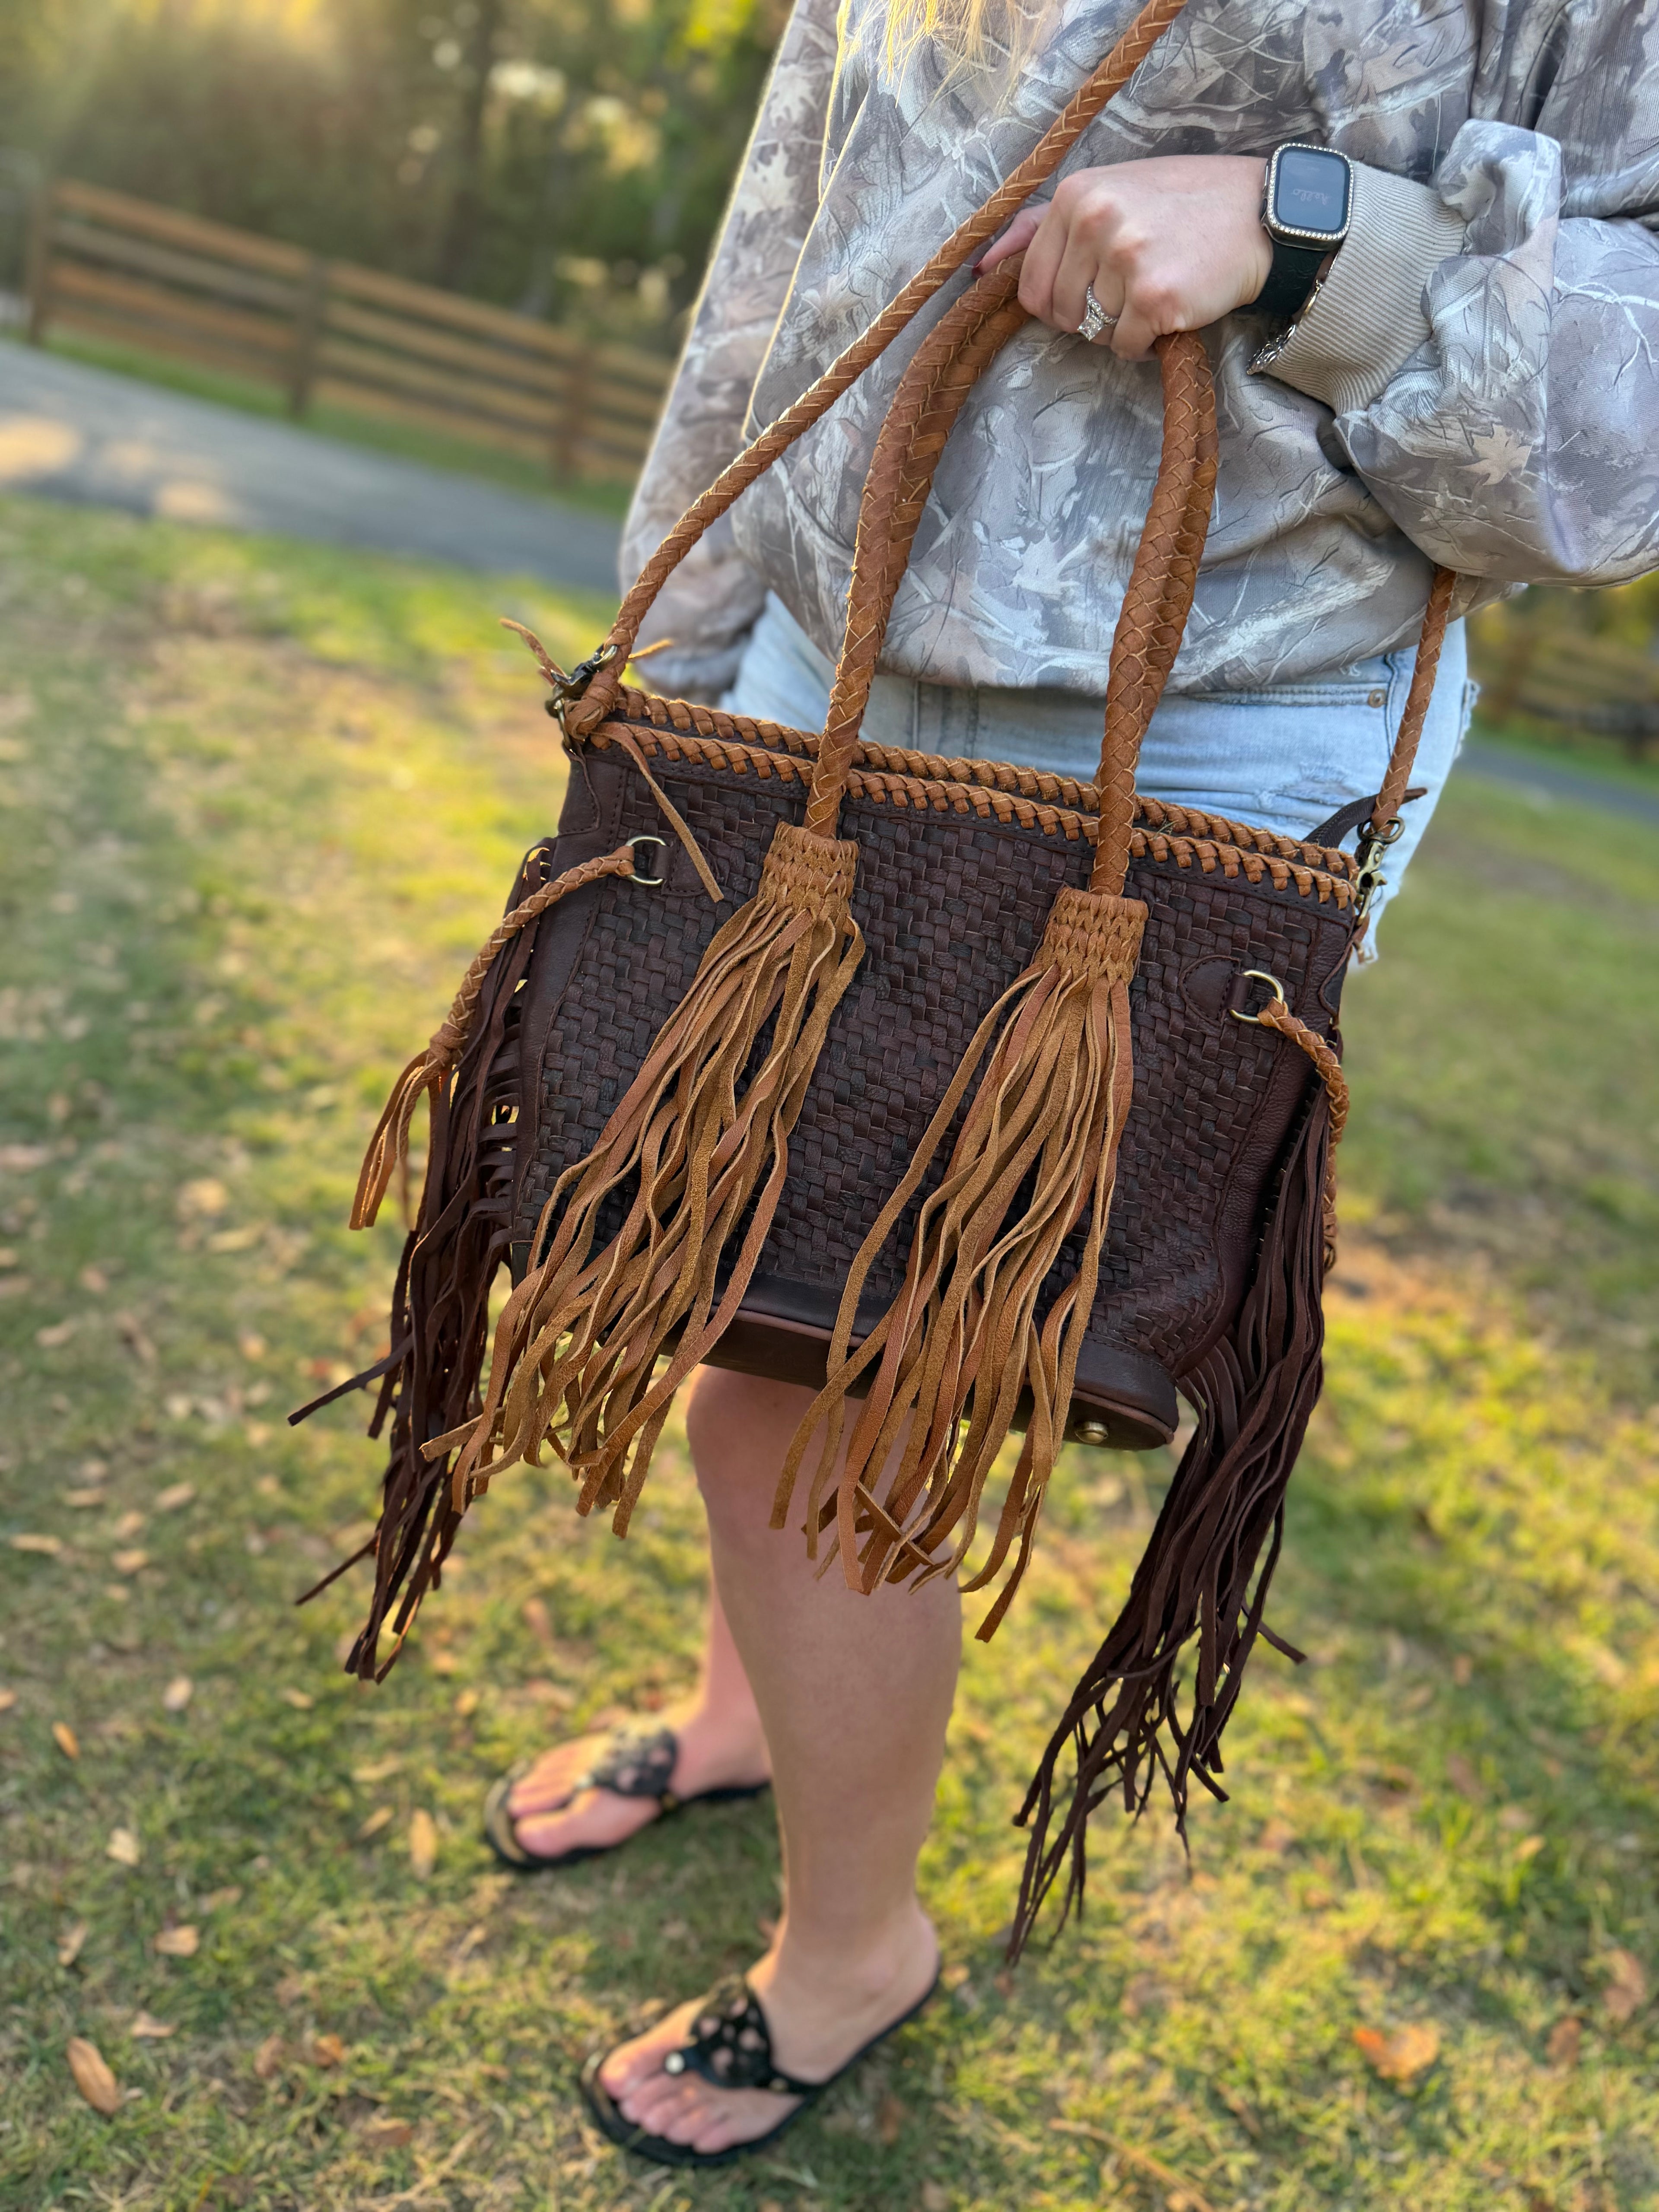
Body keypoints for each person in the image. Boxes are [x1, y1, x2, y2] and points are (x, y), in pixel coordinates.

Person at [486, 0, 1659, 2168]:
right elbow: (803, 205)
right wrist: (683, 628)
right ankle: (761, 1719)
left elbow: (1615, 440)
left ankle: (854, 1947)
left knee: (814, 1385)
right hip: (815, 638)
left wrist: (1315, 238)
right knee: (725, 1271)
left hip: (1216, 716)